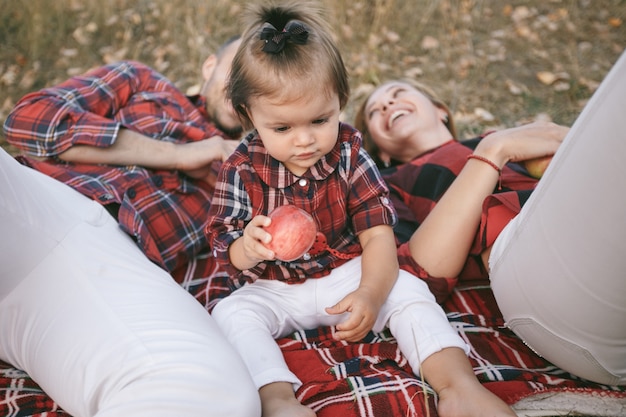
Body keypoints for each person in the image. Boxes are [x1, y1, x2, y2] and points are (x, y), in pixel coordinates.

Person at [206, 2, 517, 417]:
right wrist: (249, 245)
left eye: (320, 120)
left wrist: (371, 292)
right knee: (231, 311)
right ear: (249, 116)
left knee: (408, 289)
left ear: (340, 101)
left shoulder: (351, 153)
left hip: (344, 274)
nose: (304, 141)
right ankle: (277, 399)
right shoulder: (241, 168)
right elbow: (224, 244)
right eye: (282, 128)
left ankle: (458, 386)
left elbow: (378, 235)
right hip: (276, 287)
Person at [354, 51, 626, 386]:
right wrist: (493, 152)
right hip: (546, 286)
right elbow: (413, 276)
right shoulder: (388, 185)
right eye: (374, 111)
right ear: (380, 150)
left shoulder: (514, 141)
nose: (386, 106)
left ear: (440, 110)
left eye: (397, 94)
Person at [0, 147, 261, 417]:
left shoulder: (254, 168)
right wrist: (176, 154)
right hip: (54, 227)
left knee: (216, 396)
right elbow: (32, 121)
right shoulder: (160, 111)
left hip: (71, 280)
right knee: (209, 392)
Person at [3, 35, 243, 281]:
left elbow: (215, 283)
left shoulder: (247, 178)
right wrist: (177, 155)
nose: (241, 90)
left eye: (257, 85)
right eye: (237, 70)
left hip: (118, 271)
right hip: (50, 200)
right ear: (209, 66)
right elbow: (26, 121)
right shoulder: (142, 80)